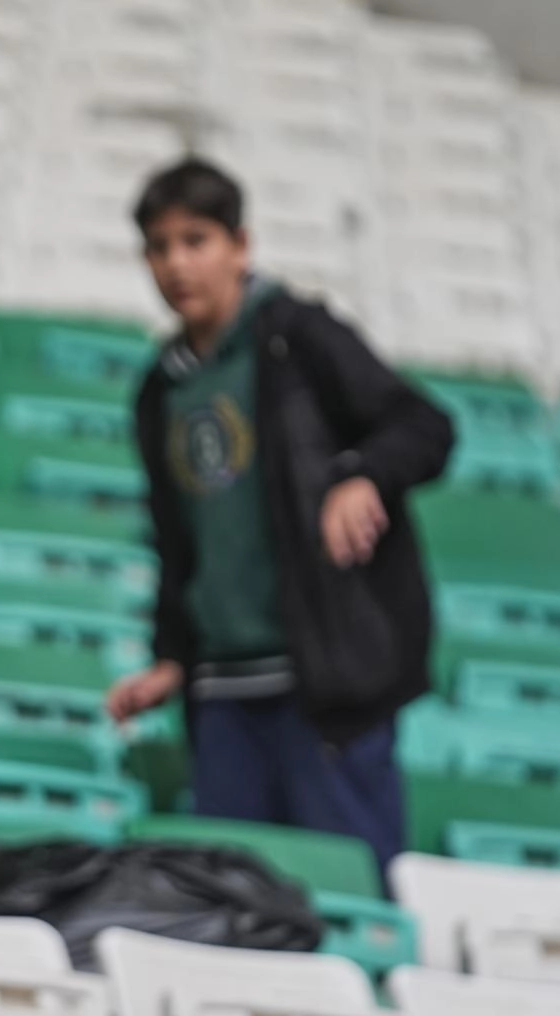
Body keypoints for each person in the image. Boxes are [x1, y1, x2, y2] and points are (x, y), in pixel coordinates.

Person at [105, 157, 454, 874]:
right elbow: (180, 540)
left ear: (241, 245)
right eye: (160, 247)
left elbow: (423, 424)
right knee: (233, 903)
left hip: (324, 687)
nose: (177, 264)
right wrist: (172, 657)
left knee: (344, 890)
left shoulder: (300, 337)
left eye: (196, 240)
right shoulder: (159, 390)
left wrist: (362, 476)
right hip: (222, 696)